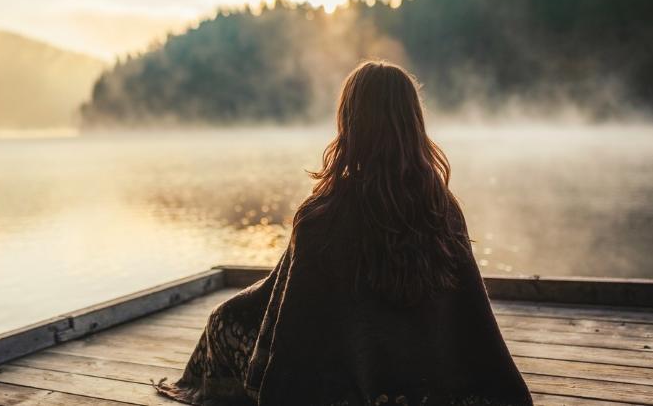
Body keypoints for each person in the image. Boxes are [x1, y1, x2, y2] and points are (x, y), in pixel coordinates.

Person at [154, 61, 533, 406]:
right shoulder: (442, 206)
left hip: (341, 391)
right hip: (429, 383)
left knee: (223, 322)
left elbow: (293, 329)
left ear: (350, 122)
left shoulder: (322, 215)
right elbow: (471, 322)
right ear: (413, 122)